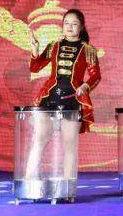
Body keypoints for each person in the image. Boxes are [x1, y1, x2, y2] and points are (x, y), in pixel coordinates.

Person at [26, 9, 100, 179]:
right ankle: (30, 180)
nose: (69, 27)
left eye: (74, 24)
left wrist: (85, 86)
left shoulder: (88, 50)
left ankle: (68, 185)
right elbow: (35, 67)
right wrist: (35, 50)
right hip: (49, 98)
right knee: (40, 139)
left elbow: (96, 76)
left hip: (73, 100)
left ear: (81, 27)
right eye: (66, 23)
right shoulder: (54, 46)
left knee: (70, 144)